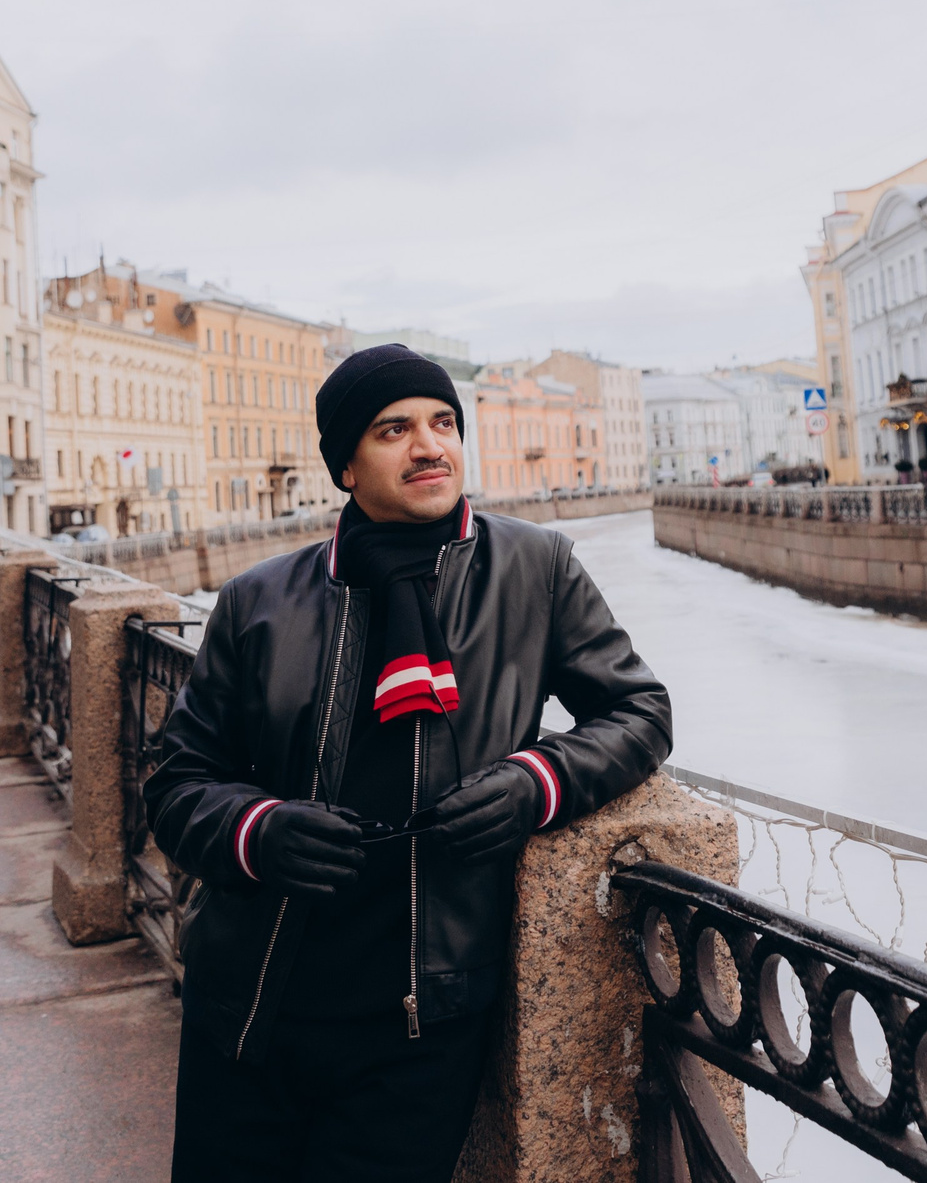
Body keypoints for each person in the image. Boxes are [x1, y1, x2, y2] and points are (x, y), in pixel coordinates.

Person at [144, 343, 673, 1183]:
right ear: (346, 466)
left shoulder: (534, 568)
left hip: (423, 1018)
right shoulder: (259, 600)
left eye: (443, 422)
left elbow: (640, 710)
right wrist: (258, 829)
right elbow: (175, 783)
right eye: (394, 429)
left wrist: (535, 782)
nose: (429, 445)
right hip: (251, 1003)